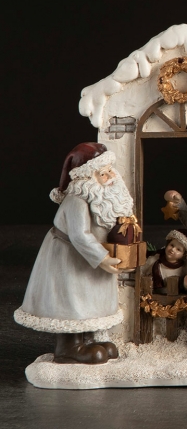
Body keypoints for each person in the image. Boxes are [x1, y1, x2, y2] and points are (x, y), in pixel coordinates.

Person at [14, 142, 130, 364]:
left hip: (88, 257)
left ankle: (91, 339)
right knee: (72, 300)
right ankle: (69, 347)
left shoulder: (100, 196)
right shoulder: (77, 199)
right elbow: (79, 235)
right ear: (86, 177)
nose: (110, 177)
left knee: (90, 299)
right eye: (102, 173)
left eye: (109, 170)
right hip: (69, 257)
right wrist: (102, 258)